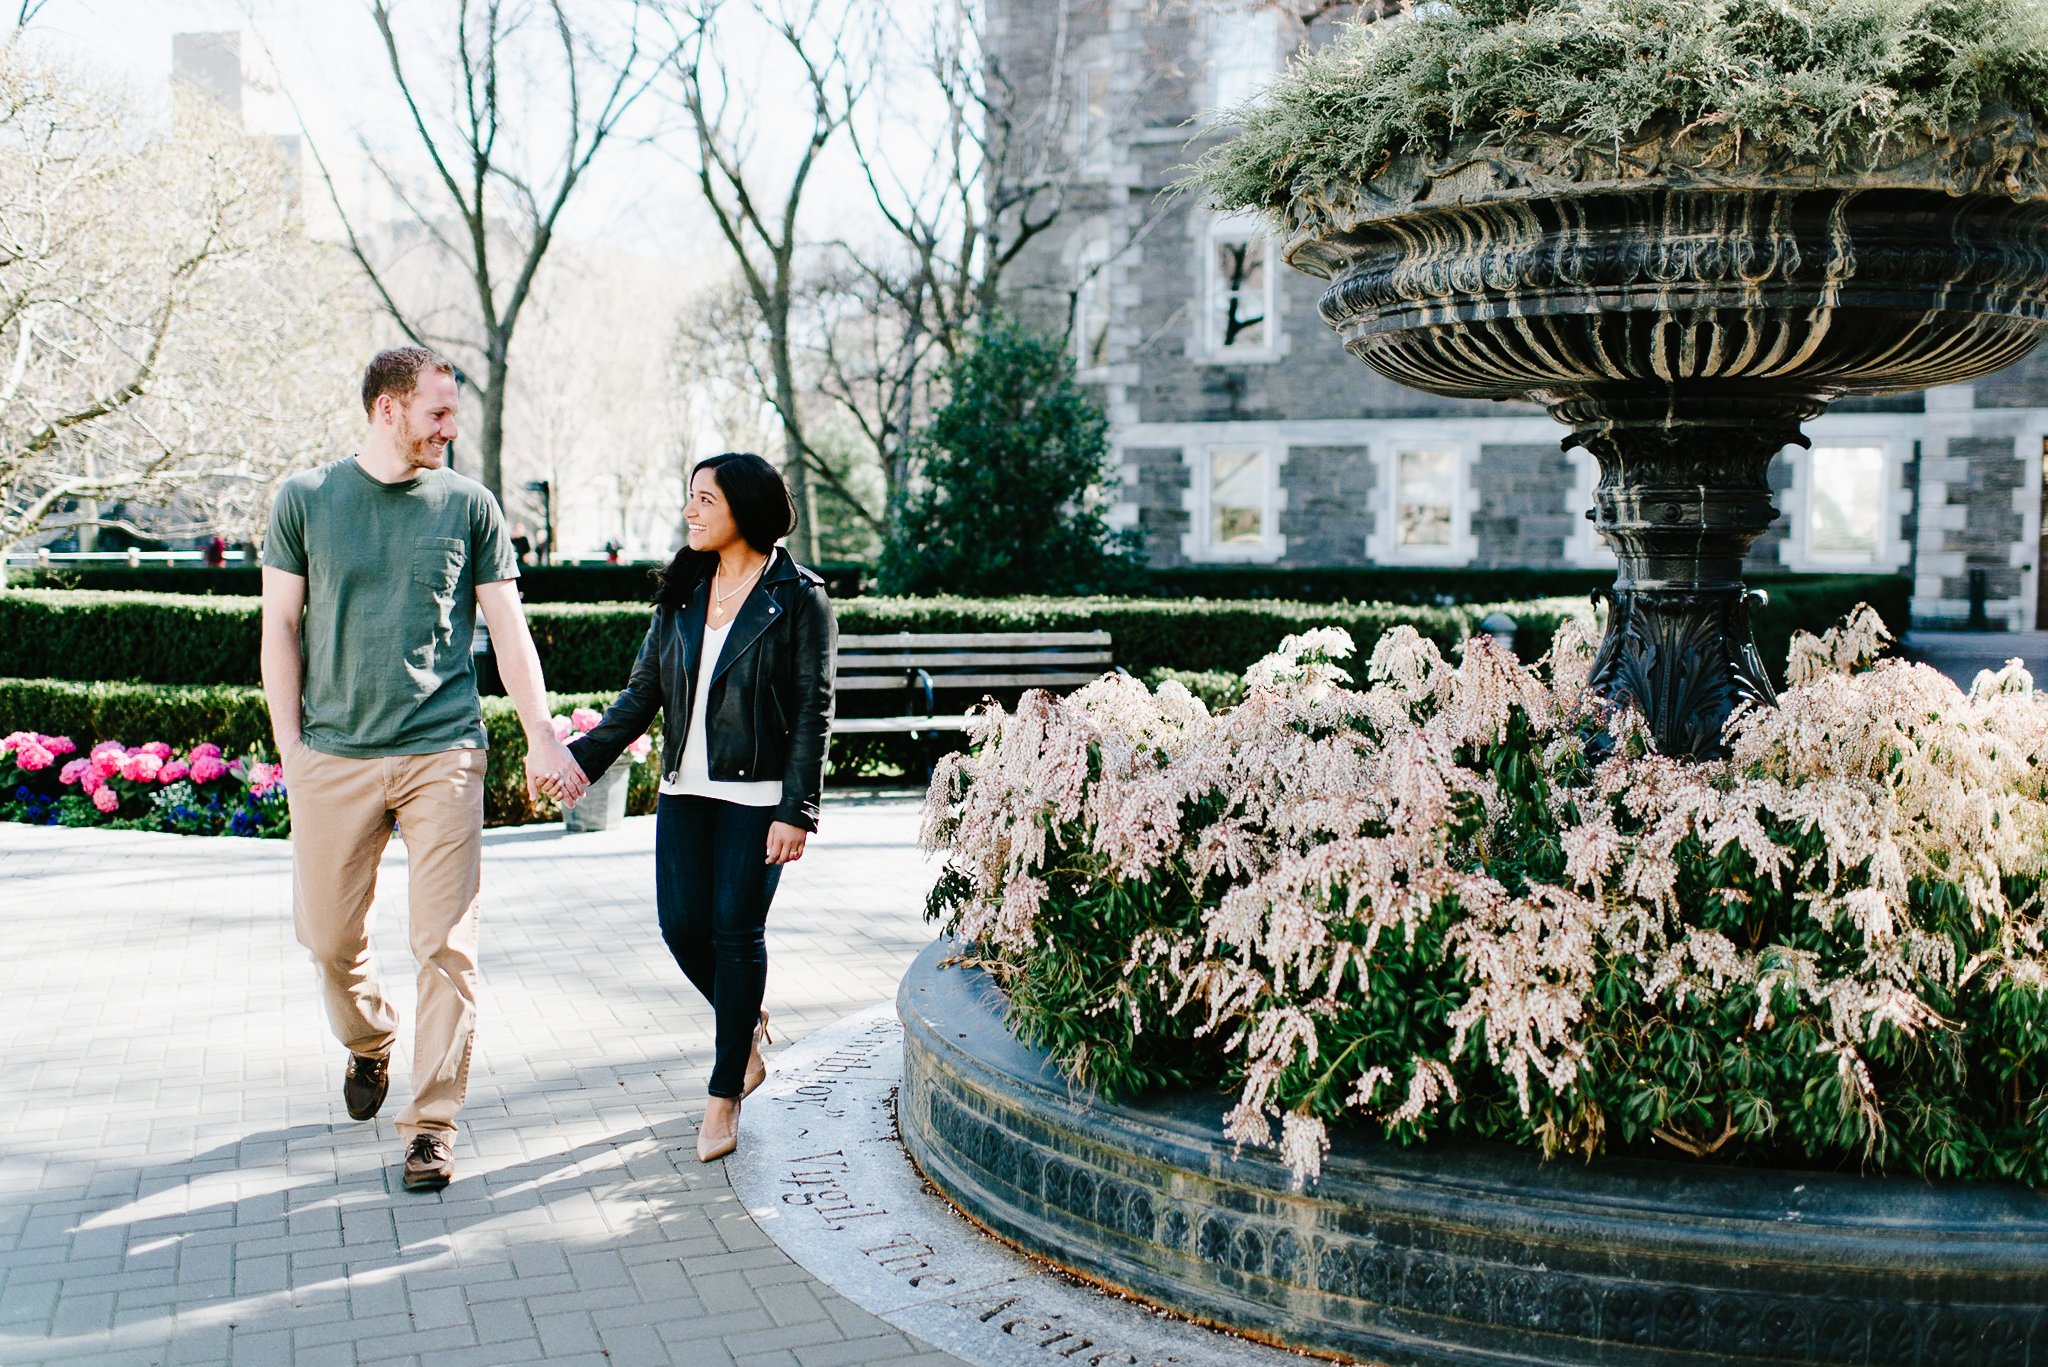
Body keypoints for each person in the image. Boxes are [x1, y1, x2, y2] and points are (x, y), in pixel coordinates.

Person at [259, 346, 588, 1193]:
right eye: (437, 414)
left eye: (455, 415)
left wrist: (542, 732)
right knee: (329, 940)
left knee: (447, 945)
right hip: (332, 755)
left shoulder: (469, 506)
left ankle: (432, 1123)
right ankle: (370, 1038)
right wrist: (292, 748)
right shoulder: (305, 500)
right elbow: (280, 630)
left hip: (443, 748)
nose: (450, 430)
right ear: (387, 410)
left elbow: (508, 632)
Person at [568, 453, 834, 1162]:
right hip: (684, 792)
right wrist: (581, 761)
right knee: (681, 926)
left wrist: (796, 808)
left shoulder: (799, 595)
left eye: (705, 500)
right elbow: (641, 692)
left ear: (745, 508)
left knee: (734, 933)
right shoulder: (684, 587)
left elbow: (814, 708)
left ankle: (724, 1095)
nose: (691, 511)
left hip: (757, 798)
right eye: (690, 497)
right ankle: (741, 1023)